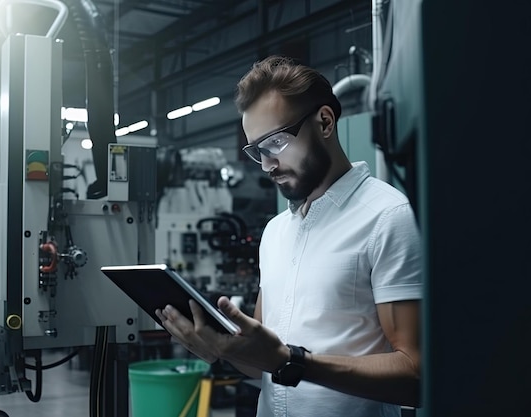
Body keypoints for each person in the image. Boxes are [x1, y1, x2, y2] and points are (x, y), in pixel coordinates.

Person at [156, 55, 422, 417]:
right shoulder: (275, 232)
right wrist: (225, 350)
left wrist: (293, 361)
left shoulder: (388, 217)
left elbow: (416, 375)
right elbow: (263, 363)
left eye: (275, 143)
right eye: (256, 151)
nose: (266, 165)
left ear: (325, 121)